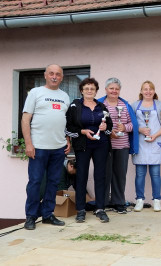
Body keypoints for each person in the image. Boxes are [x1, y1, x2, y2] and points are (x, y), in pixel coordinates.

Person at [22, 64, 71, 230]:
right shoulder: (35, 93)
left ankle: (48, 214)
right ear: (45, 75)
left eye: (58, 74)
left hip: (58, 148)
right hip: (38, 147)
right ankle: (31, 216)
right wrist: (28, 143)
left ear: (62, 77)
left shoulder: (65, 96)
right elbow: (25, 119)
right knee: (35, 182)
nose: (54, 76)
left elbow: (63, 120)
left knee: (53, 182)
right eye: (51, 73)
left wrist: (67, 140)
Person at [66, 77, 113, 223]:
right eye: (86, 88)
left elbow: (109, 126)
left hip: (101, 145)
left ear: (96, 91)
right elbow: (68, 128)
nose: (89, 91)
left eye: (92, 88)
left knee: (100, 176)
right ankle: (81, 210)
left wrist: (105, 128)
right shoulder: (75, 106)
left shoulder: (102, 106)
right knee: (81, 176)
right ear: (81, 90)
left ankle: (100, 208)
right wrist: (82, 131)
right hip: (82, 145)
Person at [98, 78, 139, 214]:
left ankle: (118, 202)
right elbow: (95, 124)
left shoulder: (125, 105)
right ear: (106, 89)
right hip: (104, 146)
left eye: (116, 89)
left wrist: (124, 127)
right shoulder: (100, 104)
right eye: (111, 88)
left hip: (122, 146)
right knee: (105, 175)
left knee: (120, 175)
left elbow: (133, 125)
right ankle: (102, 203)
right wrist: (109, 132)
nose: (114, 91)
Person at [131, 81, 161, 212]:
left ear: (154, 91)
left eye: (150, 89)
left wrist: (155, 135)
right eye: (145, 89)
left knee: (155, 173)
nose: (148, 91)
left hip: (155, 142)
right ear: (141, 91)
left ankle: (157, 200)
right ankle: (139, 200)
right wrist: (140, 130)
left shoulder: (160, 105)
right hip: (140, 143)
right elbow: (129, 124)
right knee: (140, 174)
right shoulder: (135, 105)